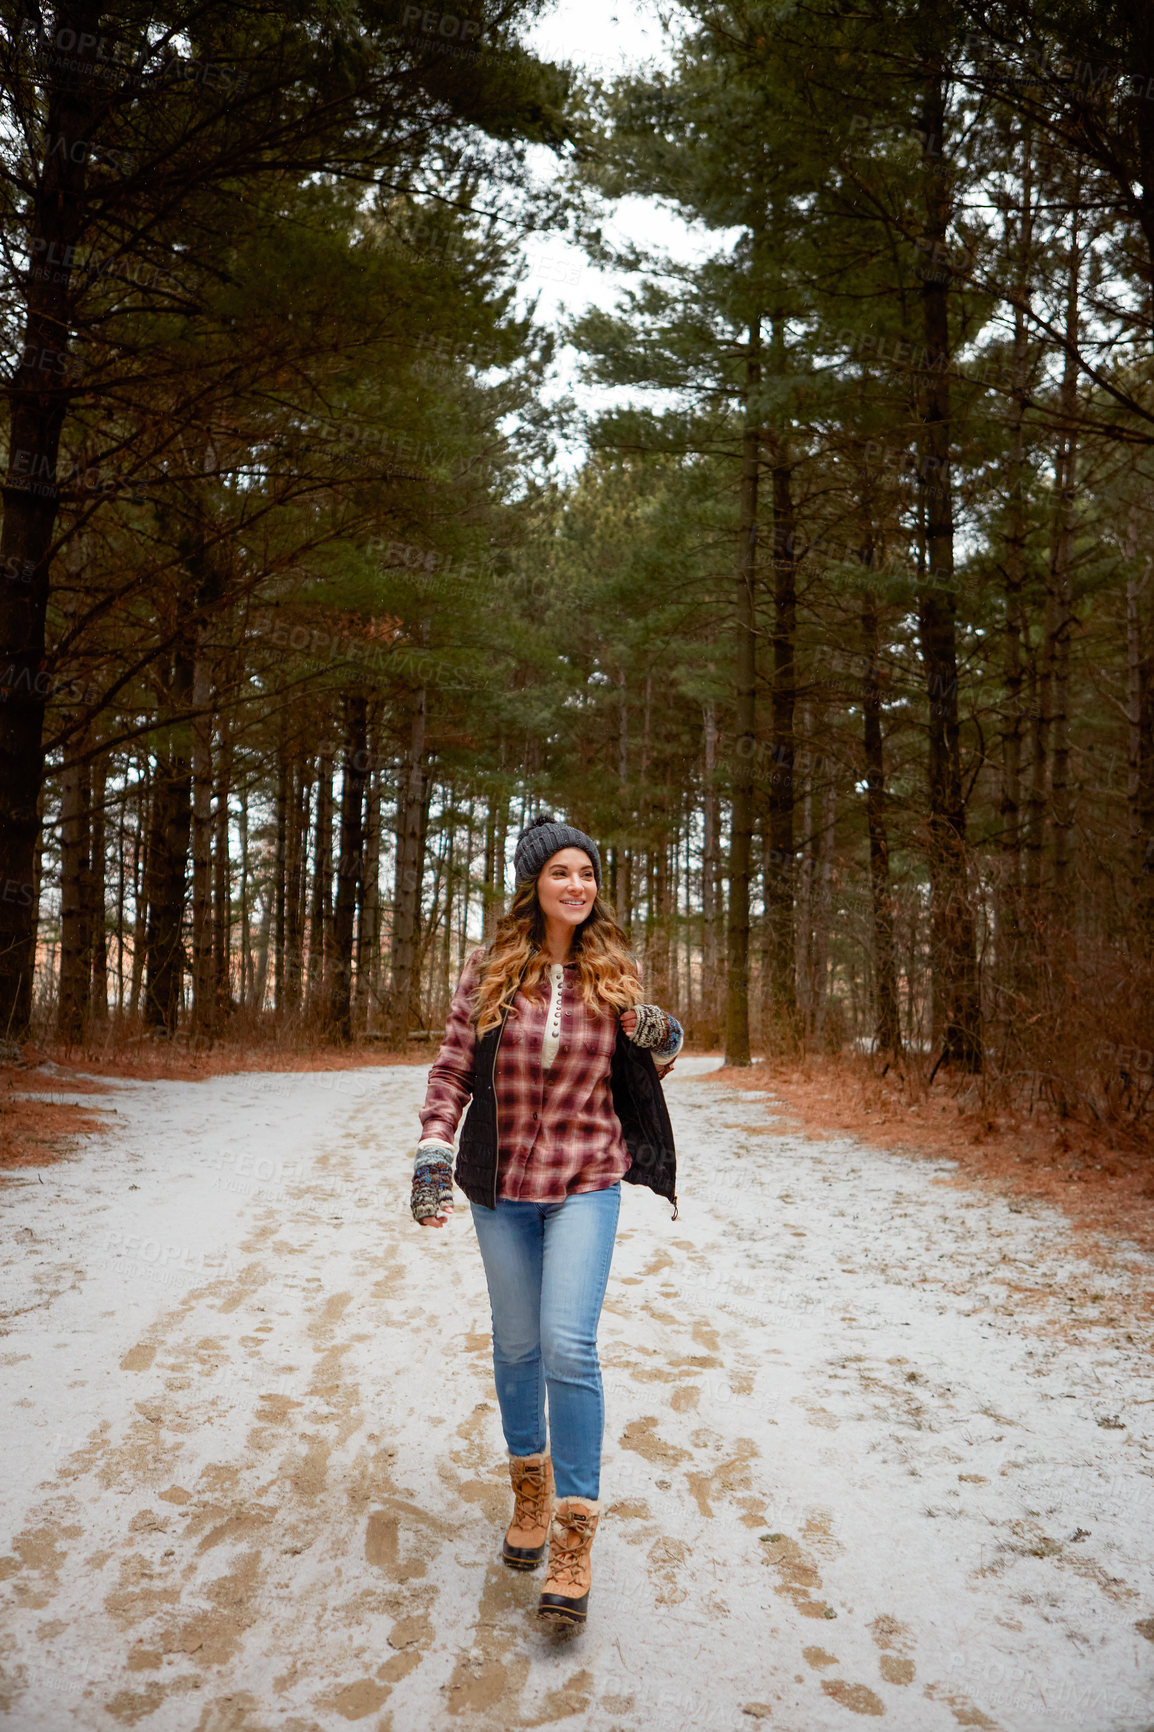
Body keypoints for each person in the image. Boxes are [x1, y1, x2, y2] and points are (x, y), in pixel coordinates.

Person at [410, 814, 682, 1627]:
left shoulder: (613, 969)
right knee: (517, 1343)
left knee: (569, 1345)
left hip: (586, 1180)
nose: (577, 885)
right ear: (534, 882)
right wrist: (433, 1148)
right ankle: (528, 1490)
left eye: (587, 874)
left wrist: (661, 1033)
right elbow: (456, 1061)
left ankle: (573, 1532)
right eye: (561, 872)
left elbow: (657, 1056)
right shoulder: (490, 969)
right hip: (501, 1186)